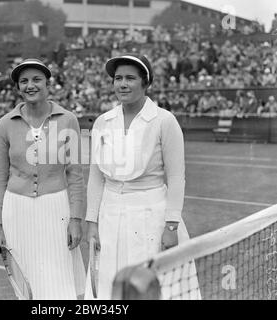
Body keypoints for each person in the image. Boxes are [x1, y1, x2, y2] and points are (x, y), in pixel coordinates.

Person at [84, 54, 200, 300]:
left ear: (145, 83)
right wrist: (91, 222)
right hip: (110, 216)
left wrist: (171, 225)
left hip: (151, 216)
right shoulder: (103, 122)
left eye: (130, 78)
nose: (122, 84)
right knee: (111, 288)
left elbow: (177, 177)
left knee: (155, 288)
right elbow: (96, 177)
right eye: (117, 78)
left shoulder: (165, 121)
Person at [0, 58, 86, 299]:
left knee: (60, 280)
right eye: (24, 81)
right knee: (26, 283)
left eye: (36, 79)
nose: (30, 85)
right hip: (17, 211)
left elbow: (75, 174)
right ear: (17, 87)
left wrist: (75, 219)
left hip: (56, 209)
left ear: (47, 83)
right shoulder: (4, 125)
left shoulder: (68, 120)